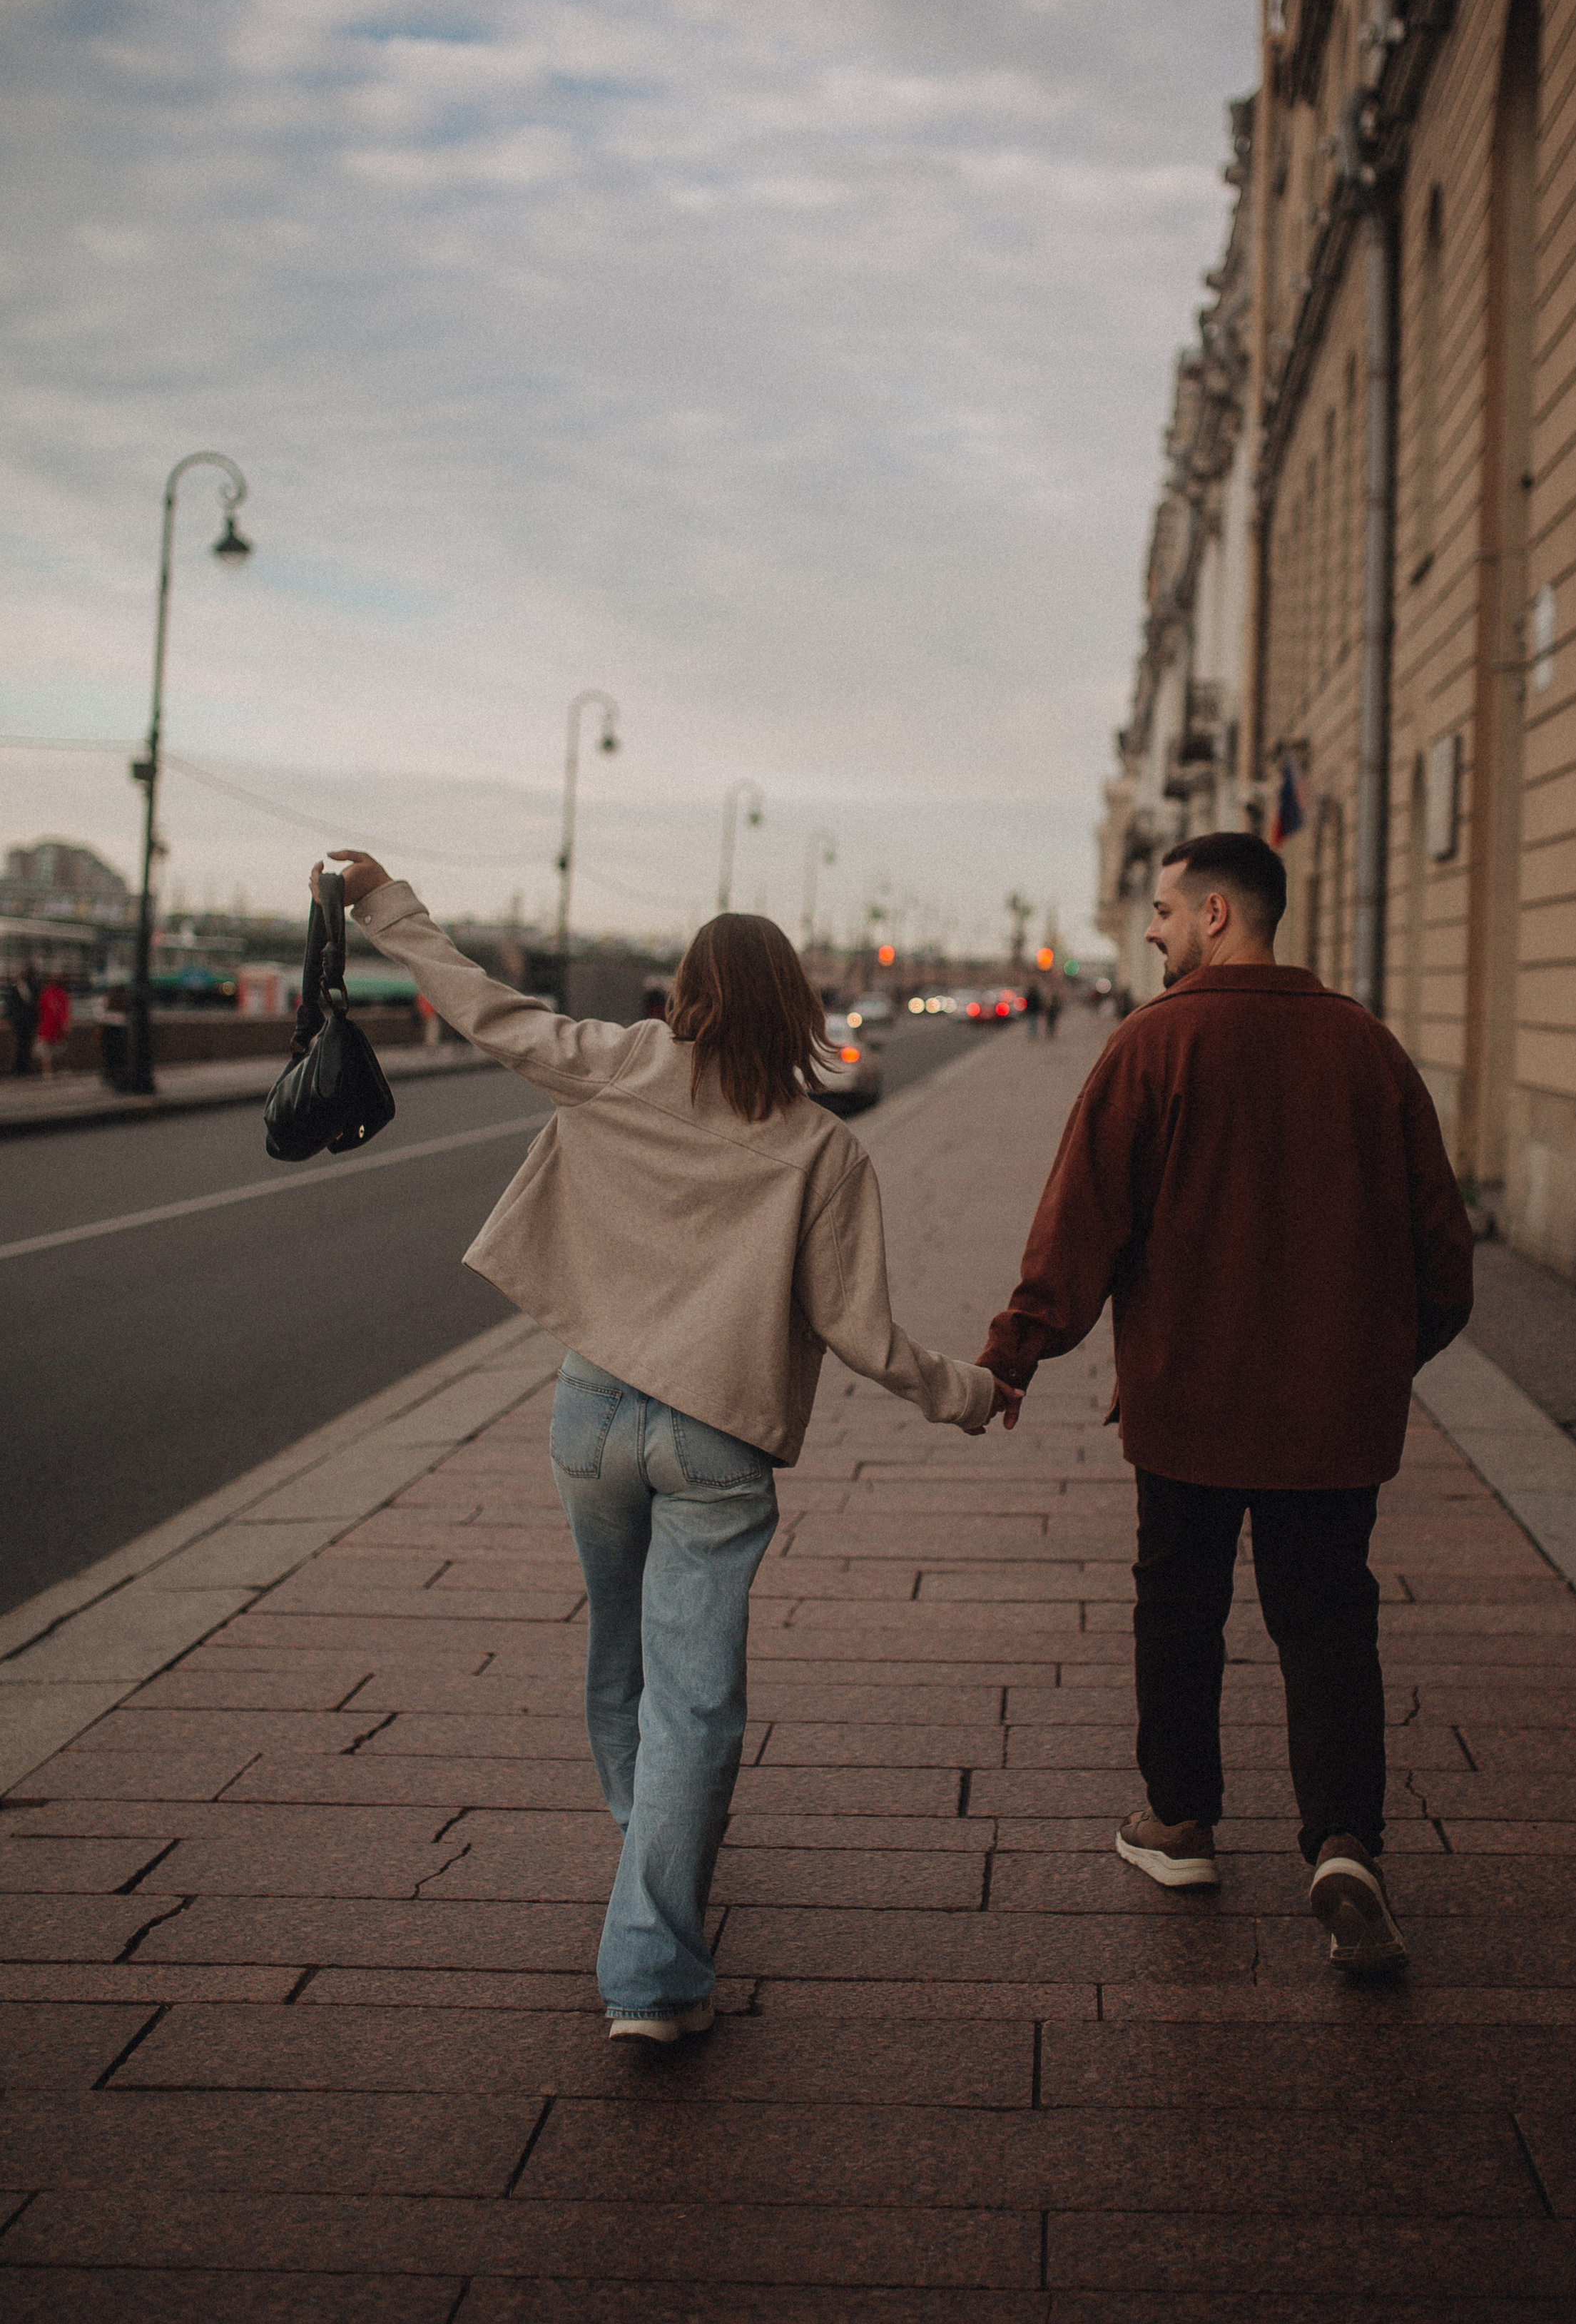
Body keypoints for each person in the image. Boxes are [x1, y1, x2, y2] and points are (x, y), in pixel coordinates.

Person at [315, 852, 1019, 2044]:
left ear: (684, 993)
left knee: (620, 1649)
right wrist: (973, 1393)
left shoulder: (617, 1066)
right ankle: (649, 1966)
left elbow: (480, 1003)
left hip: (591, 1418)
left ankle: (655, 1846)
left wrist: (385, 901)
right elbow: (862, 1334)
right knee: (696, 1699)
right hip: (717, 1442)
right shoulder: (824, 1150)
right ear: (798, 1009)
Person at [977, 831, 1473, 1976]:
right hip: (1332, 1426)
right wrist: (1369, 1363)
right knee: (1329, 1622)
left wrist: (1019, 1352)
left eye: (1158, 911)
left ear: (1214, 915)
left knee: (1178, 1605)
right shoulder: (1368, 1049)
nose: (1146, 928)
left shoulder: (1154, 1045)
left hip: (1186, 1406)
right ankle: (1344, 1842)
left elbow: (1079, 1228)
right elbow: (1443, 1253)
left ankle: (1182, 1822)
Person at [32, 973, 71, 1079]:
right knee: (58, 1050)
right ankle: (59, 1069)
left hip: (46, 1025)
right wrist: (65, 1024)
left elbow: (40, 1009)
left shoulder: (45, 993)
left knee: (46, 1051)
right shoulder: (62, 994)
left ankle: (47, 1071)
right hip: (56, 1026)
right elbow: (64, 1012)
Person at [6, 965, 38, 1081]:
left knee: (26, 1045)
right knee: (22, 1045)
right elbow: (11, 1005)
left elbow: (34, 1005)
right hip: (20, 1022)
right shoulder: (15, 989)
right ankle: (21, 1067)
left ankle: (24, 1067)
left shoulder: (32, 987)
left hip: (28, 1022)